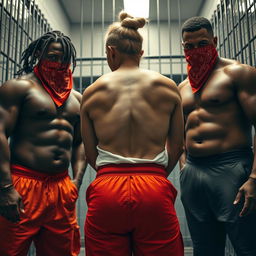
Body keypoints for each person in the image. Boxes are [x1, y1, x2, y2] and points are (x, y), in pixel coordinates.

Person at [80, 11, 184, 256]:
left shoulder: (92, 92)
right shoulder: (168, 87)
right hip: (154, 186)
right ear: (141, 53)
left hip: (107, 187)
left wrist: (112, 173)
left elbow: (90, 153)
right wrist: (156, 174)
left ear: (110, 51)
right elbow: (178, 145)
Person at [0, 30, 87, 256]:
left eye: (63, 59)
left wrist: (75, 182)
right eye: (52, 57)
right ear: (38, 54)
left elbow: (80, 143)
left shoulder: (77, 99)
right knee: (9, 250)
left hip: (61, 186)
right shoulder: (19, 88)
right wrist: (6, 187)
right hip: (22, 184)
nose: (58, 63)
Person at [178, 16, 256, 256]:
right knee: (204, 248)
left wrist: (254, 177)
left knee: (246, 245)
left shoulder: (238, 74)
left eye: (202, 44)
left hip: (231, 167)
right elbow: (180, 134)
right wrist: (184, 168)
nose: (195, 51)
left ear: (214, 40)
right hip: (194, 171)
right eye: (188, 47)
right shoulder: (182, 87)